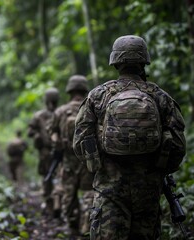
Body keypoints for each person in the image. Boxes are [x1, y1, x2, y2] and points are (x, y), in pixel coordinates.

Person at [73, 35, 186, 239]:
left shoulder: (98, 95)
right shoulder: (160, 97)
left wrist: (99, 167)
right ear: (144, 61)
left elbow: (81, 141)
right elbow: (177, 146)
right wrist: (157, 169)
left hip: (109, 189)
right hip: (148, 190)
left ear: (115, 62)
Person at [50, 75, 95, 236]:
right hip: (89, 160)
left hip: (68, 161)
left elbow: (52, 132)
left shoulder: (61, 111)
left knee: (69, 196)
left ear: (69, 90)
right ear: (84, 89)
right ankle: (86, 226)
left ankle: (72, 225)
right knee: (90, 194)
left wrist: (57, 143)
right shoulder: (93, 106)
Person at [28, 87, 60, 218]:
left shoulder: (38, 115)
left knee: (47, 178)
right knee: (60, 177)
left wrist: (38, 135)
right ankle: (59, 203)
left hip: (45, 152)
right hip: (60, 152)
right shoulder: (62, 112)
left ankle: (50, 205)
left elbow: (30, 132)